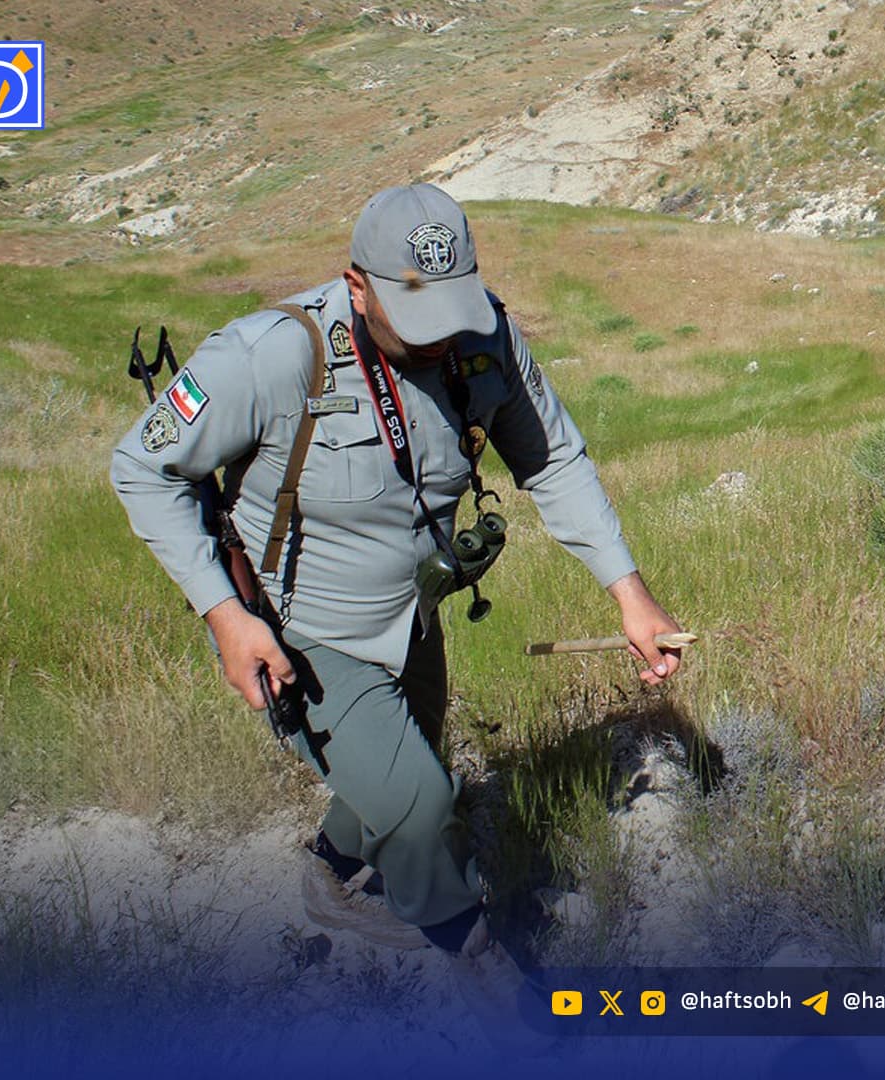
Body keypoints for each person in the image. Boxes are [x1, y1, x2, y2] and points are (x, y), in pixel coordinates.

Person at [110, 182, 683, 1031]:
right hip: (302, 627)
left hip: (413, 612)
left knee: (409, 760)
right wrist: (226, 618)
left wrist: (629, 594)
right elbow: (140, 468)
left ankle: (329, 872)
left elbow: (552, 459)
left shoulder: (483, 339)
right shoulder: (271, 355)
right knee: (421, 802)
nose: (442, 337)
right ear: (357, 286)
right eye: (417, 318)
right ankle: (481, 972)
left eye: (452, 312)